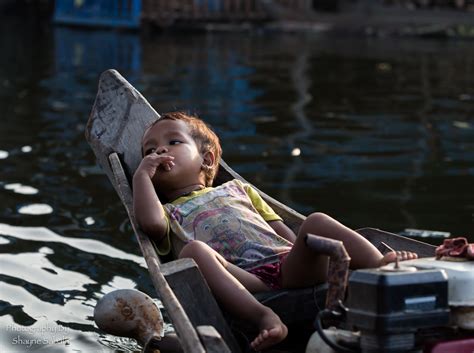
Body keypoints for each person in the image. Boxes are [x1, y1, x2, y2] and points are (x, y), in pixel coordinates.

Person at [132, 111, 417, 351]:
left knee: (315, 222)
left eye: (173, 142)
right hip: (247, 282)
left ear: (206, 160)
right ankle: (265, 317)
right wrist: (142, 175)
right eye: (149, 151)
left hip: (287, 265)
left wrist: (303, 255)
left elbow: (281, 233)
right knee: (193, 251)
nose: (160, 151)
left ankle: (378, 263)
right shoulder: (166, 211)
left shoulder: (238, 190)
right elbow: (150, 224)